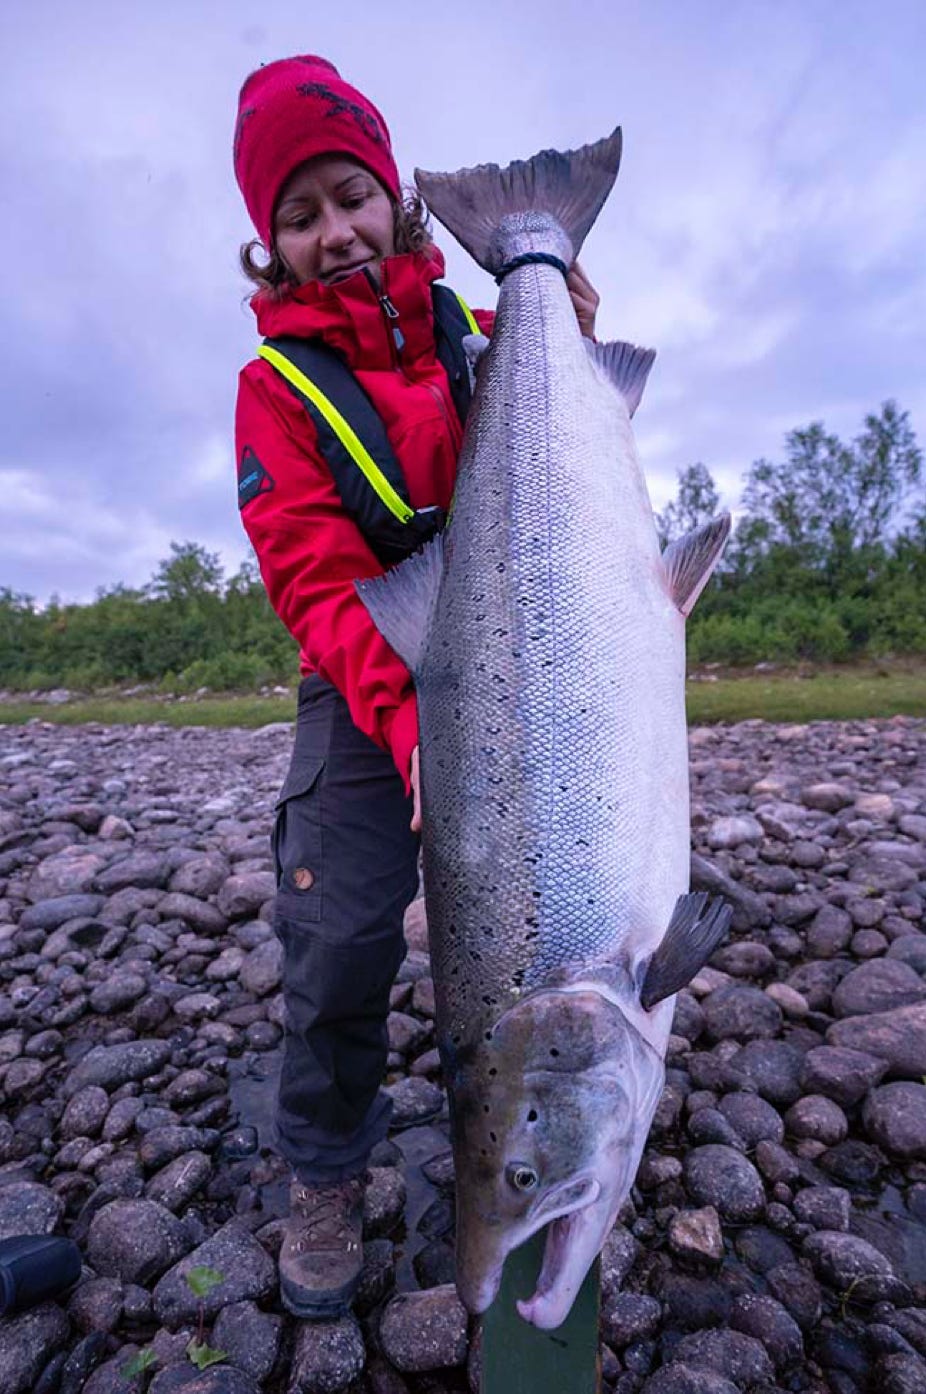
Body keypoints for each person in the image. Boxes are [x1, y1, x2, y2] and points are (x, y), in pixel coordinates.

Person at [232, 54, 600, 1318]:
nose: (333, 230)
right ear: (268, 246)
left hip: (520, 655)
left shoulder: (492, 333)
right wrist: (411, 729)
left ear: (396, 196)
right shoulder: (272, 390)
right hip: (364, 675)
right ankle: (325, 1171)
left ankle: (577, 1095)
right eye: (298, 214)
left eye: (349, 195)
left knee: (571, 891)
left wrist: (565, 313)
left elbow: (575, 464)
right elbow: (314, 580)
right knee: (334, 934)